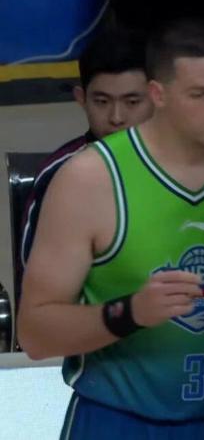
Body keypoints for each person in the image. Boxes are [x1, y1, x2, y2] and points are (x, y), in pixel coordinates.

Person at [18, 18, 204, 439]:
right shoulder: (89, 180)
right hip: (120, 419)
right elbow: (35, 334)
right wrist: (129, 313)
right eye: (199, 94)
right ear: (158, 94)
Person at [18, 27, 154, 295]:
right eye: (102, 102)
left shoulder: (183, 166)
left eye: (132, 102)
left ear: (156, 97)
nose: (116, 117)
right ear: (81, 99)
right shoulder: (62, 174)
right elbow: (40, 291)